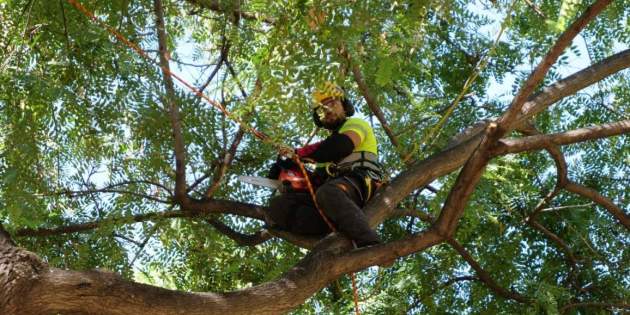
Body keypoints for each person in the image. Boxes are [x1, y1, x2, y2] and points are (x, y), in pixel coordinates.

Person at [265, 82, 383, 247]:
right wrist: (289, 169)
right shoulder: (323, 153)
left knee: (328, 192)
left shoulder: (356, 124)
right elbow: (314, 183)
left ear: (344, 105)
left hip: (360, 183)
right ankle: (326, 236)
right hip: (331, 201)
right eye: (321, 108)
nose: (327, 109)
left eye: (332, 103)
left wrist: (300, 154)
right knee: (280, 204)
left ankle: (370, 242)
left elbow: (341, 146)